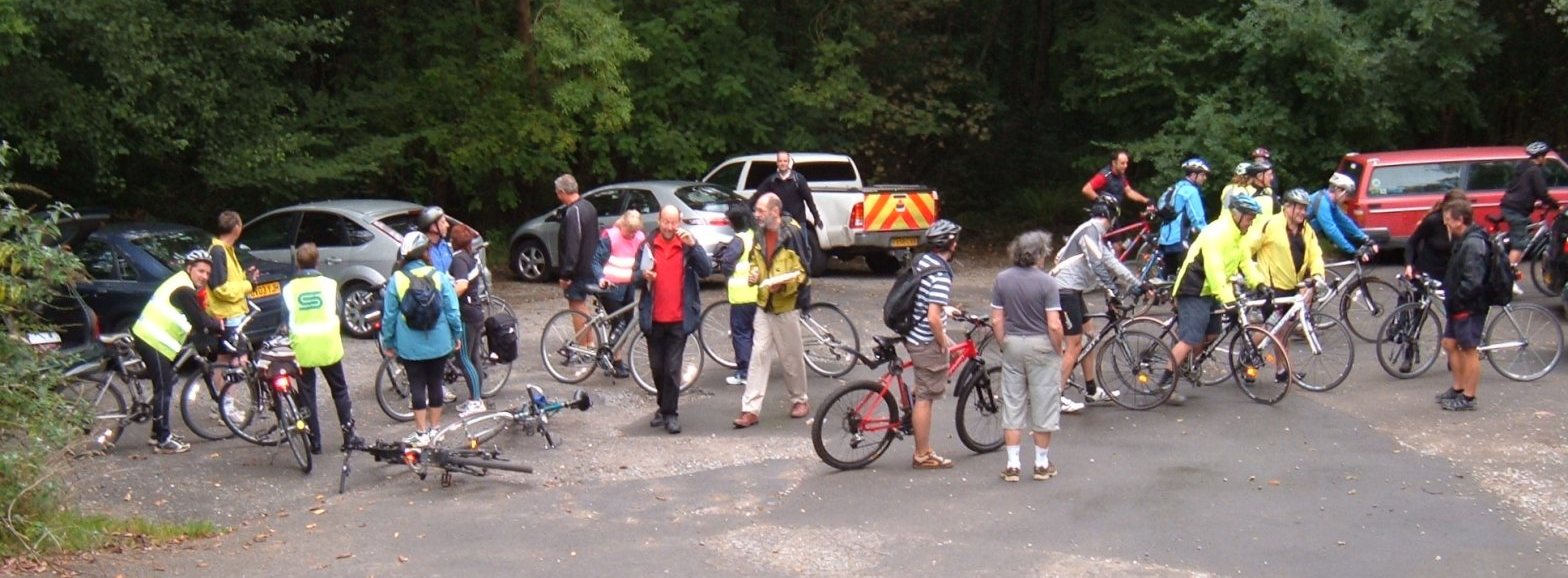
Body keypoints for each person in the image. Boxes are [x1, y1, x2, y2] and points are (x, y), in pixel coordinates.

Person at [1158, 194, 1265, 404]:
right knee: (1190, 338)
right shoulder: (1216, 233)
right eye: (1249, 217)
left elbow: (1247, 263)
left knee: (1213, 333)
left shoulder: (1239, 235)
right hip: (1194, 288)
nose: (1251, 221)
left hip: (1212, 290)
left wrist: (1260, 284)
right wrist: (1228, 300)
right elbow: (1214, 269)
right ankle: (1164, 382)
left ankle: (1188, 364)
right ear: (1237, 214)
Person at [990, 231, 1067, 482]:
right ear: (1038, 254)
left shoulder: (1002, 279)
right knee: (1044, 403)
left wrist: (1004, 342)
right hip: (1042, 344)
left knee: (1013, 403)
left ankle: (1012, 464)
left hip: (1013, 342)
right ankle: (1041, 463)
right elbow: (1054, 324)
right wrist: (1059, 348)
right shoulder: (1048, 283)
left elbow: (996, 319)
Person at [1052, 203, 1144, 411]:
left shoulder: (1094, 236)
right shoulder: (1089, 230)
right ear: (1109, 217)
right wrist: (1113, 291)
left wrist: (1138, 284)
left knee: (1090, 336)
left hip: (1073, 291)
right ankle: (1053, 397)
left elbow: (1111, 262)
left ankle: (1092, 390)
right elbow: (1097, 265)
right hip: (1064, 291)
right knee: (1075, 343)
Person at [131, 250, 223, 454]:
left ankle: (157, 434)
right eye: (201, 271)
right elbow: (199, 320)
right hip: (151, 339)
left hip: (153, 338)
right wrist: (218, 325)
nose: (204, 277)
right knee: (163, 388)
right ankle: (163, 440)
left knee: (167, 381)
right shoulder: (184, 289)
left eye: (208, 273)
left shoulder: (181, 282)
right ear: (189, 268)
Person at [734, 193, 811, 429]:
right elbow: (755, 262)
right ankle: (750, 409)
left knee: (791, 356)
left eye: (759, 210)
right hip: (764, 303)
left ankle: (800, 400)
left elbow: (804, 272)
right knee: (758, 355)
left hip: (786, 305)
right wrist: (754, 274)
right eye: (756, 210)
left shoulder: (792, 234)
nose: (755, 214)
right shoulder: (758, 233)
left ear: (774, 212)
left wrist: (784, 285)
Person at [380, 232, 464, 446]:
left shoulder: (397, 279)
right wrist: (456, 334)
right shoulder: (437, 275)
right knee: (436, 383)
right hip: (439, 340)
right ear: (425, 253)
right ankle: (436, 430)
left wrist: (388, 342)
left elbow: (389, 316)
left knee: (417, 385)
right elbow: (452, 309)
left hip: (409, 344)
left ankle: (421, 433)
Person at [636, 206, 714, 434]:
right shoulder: (647, 246)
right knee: (657, 368)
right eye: (665, 222)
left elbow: (707, 270)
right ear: (659, 220)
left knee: (672, 368)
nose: (670, 227)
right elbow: (633, 278)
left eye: (674, 223)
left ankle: (671, 413)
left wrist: (695, 246)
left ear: (679, 221)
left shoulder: (687, 245)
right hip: (654, 317)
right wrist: (642, 276)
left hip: (679, 317)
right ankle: (663, 407)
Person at [282, 243, 360, 453]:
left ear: (298, 263)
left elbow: (285, 318)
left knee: (307, 394)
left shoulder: (289, 289)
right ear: (317, 261)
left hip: (303, 348)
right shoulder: (329, 285)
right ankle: (349, 435)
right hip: (328, 345)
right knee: (340, 390)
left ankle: (314, 441)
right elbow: (339, 309)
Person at [1241, 189, 1324, 383]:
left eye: (1305, 208)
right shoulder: (1270, 225)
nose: (1303, 212)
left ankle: (1281, 370)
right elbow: (1246, 248)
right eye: (1299, 208)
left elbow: (1316, 254)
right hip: (1272, 288)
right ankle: (1247, 361)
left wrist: (1317, 277)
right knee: (1270, 329)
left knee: (1283, 330)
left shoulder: (1306, 229)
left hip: (1292, 287)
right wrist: (1253, 276)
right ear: (1287, 207)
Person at [904, 219, 962, 469]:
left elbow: (924, 300)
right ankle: (922, 454)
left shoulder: (922, 262)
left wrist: (945, 309)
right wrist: (944, 343)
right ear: (952, 244)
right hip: (925, 341)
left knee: (922, 387)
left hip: (911, 333)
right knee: (926, 398)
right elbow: (932, 317)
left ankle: (914, 411)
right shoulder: (940, 274)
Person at [1437, 199, 1487, 411]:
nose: (1446, 224)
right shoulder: (1462, 240)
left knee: (1469, 349)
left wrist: (1458, 300)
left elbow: (1473, 280)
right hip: (1457, 303)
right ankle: (1458, 388)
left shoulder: (1473, 244)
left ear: (1459, 220)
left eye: (1448, 220)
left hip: (1468, 305)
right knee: (1449, 343)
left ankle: (1469, 397)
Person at [206, 210, 259, 395]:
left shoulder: (225, 250)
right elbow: (220, 288)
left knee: (224, 360)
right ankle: (225, 406)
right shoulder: (219, 251)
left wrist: (247, 277)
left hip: (231, 314)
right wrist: (248, 285)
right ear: (237, 227)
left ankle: (219, 405)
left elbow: (229, 281)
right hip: (228, 316)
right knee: (237, 361)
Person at [591, 211, 645, 379]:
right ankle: (615, 360)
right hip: (610, 287)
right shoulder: (610, 237)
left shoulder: (639, 237)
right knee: (619, 323)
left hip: (628, 285)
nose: (632, 235)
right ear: (622, 226)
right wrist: (601, 278)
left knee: (627, 322)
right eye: (629, 231)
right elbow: (595, 261)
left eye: (635, 231)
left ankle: (614, 357)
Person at [712, 206, 759, 386]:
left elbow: (728, 263)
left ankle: (744, 372)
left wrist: (723, 268)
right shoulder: (755, 236)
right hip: (756, 292)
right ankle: (755, 369)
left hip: (741, 294)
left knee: (741, 334)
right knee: (754, 334)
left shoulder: (738, 240)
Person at [1500, 142, 1561, 277]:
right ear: (1539, 157)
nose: (1545, 159)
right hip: (1517, 209)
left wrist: (1535, 203)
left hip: (1509, 205)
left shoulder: (1522, 167)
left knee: (1524, 231)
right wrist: (1557, 206)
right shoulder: (1535, 171)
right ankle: (1507, 277)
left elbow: (1522, 189)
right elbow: (1542, 193)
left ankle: (1511, 269)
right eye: (1544, 156)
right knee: (1520, 243)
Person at [555, 174, 600, 348]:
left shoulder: (573, 211)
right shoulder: (589, 206)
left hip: (578, 268)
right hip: (591, 264)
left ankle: (582, 347)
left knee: (576, 306)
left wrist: (566, 273)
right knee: (583, 307)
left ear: (562, 191)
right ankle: (590, 343)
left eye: (558, 193)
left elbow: (573, 243)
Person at [447, 223, 488, 415]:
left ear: (453, 242)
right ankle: (475, 397)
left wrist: (447, 300)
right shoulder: (471, 257)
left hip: (466, 314)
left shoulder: (459, 260)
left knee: (462, 357)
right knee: (473, 357)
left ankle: (476, 400)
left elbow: (462, 285)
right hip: (476, 312)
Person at [1155, 158, 1211, 280]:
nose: (1204, 178)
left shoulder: (1176, 187)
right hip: (1180, 240)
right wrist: (1210, 236)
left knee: (1167, 276)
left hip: (1165, 240)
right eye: (1202, 175)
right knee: (1194, 276)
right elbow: (1198, 220)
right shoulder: (1190, 191)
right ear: (1193, 175)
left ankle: (1157, 295)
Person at [1306, 173, 1378, 259]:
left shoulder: (1330, 203)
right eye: (1348, 194)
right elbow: (1331, 230)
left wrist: (1365, 238)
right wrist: (1352, 251)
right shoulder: (1323, 203)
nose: (1348, 198)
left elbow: (1344, 221)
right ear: (1339, 190)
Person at [1405, 189, 1469, 281]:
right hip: (1429, 272)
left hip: (1449, 273)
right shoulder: (1433, 221)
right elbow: (1412, 242)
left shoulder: (1461, 223)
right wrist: (1409, 265)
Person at [1081, 149, 1150, 207]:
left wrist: (1146, 200)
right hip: (1100, 215)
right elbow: (1086, 190)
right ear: (1114, 163)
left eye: (1126, 163)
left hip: (1112, 214)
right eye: (1122, 163)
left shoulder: (1121, 176)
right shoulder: (1104, 175)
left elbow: (1129, 192)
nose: (1126, 166)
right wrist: (1102, 201)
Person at [421, 206, 454, 274]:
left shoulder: (448, 246)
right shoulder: (422, 251)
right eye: (443, 222)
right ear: (433, 227)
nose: (447, 225)